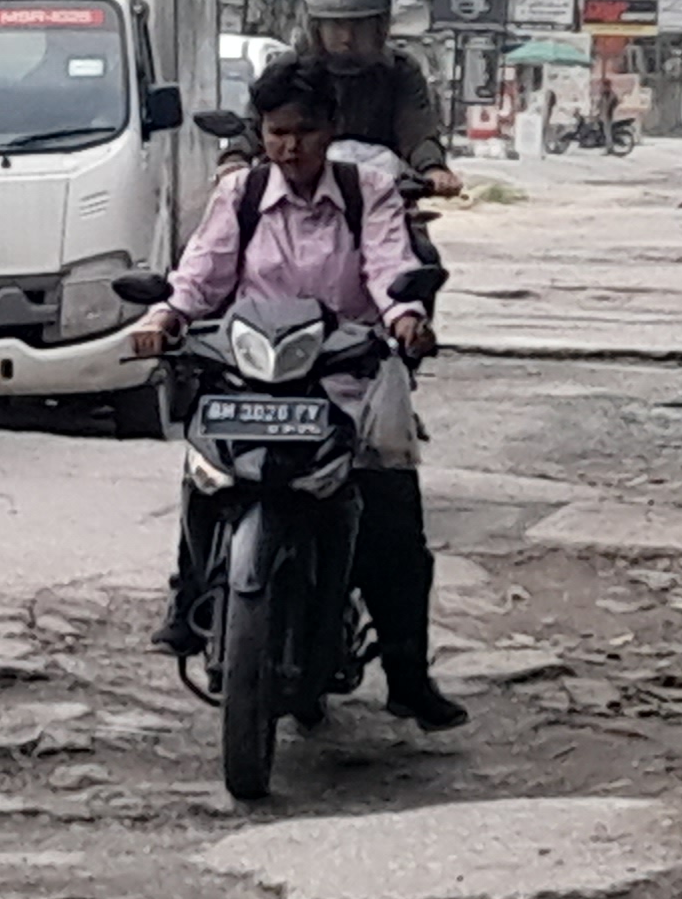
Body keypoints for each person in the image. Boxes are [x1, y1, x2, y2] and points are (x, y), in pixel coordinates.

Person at [131, 50, 467, 733]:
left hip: (347, 376)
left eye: (305, 131)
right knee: (206, 475)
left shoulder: (364, 190)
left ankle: (408, 675)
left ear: (330, 127)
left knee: (393, 519)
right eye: (278, 131)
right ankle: (188, 598)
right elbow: (202, 273)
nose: (290, 146)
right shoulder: (242, 194)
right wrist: (162, 316)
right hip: (252, 375)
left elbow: (388, 263)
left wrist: (405, 318)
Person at [288, 0, 459, 200]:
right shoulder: (289, 71)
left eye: (360, 26)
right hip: (302, 196)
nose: (348, 36)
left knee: (416, 238)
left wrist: (433, 168)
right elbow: (259, 124)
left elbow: (417, 130)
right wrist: (235, 158)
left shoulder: (400, 71)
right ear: (316, 26)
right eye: (336, 25)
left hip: (385, 196)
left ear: (381, 27)